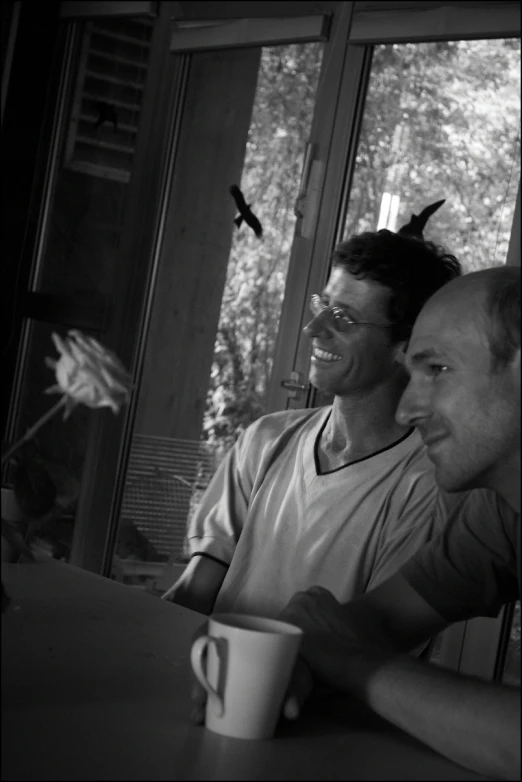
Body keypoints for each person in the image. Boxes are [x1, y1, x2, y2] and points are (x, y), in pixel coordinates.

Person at [280, 265, 520, 781]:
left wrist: (348, 661)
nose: (409, 407)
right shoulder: (501, 511)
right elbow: (381, 621)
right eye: (411, 374)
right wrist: (282, 659)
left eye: (437, 370)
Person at [161, 229, 461, 618]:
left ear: (406, 348)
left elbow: (372, 645)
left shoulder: (423, 490)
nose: (314, 328)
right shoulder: (264, 440)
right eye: (322, 304)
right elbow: (196, 591)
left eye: (342, 318)